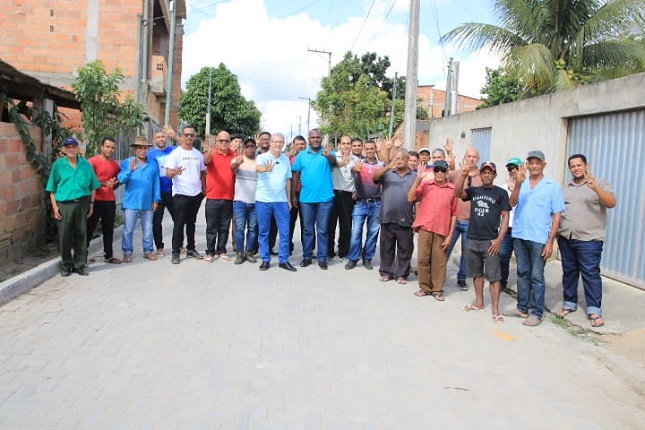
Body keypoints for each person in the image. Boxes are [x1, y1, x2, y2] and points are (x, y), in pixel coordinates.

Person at [507, 150, 565, 327]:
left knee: (537, 275)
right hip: (520, 234)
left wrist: (550, 242)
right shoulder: (521, 182)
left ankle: (536, 312)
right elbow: (512, 203)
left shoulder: (552, 186)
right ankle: (522, 308)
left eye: (537, 162)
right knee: (522, 272)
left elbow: (557, 215)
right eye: (530, 162)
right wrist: (518, 183)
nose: (533, 166)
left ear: (543, 165)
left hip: (539, 238)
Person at [557, 154, 616, 328]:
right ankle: (569, 302)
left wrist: (596, 188)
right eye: (572, 166)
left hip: (589, 239)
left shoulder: (599, 183)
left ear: (586, 165)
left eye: (579, 165)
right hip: (566, 237)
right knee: (569, 271)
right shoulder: (565, 187)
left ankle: (594, 310)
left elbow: (611, 203)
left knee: (590, 273)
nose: (576, 168)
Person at [454, 161, 510, 324]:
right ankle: (479, 302)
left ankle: (495, 309)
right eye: (484, 172)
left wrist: (499, 239)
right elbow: (458, 193)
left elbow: (505, 216)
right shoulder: (475, 191)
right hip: (472, 238)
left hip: (490, 241)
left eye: (490, 172)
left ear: (494, 175)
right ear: (480, 174)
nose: (487, 175)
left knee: (494, 276)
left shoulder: (501, 193)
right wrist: (463, 174)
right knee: (476, 273)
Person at [46, 136, 100, 276]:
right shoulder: (58, 165)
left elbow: (93, 186)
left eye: (73, 147)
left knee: (81, 234)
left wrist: (91, 204)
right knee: (64, 235)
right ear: (64, 150)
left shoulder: (85, 165)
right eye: (67, 147)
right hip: (64, 205)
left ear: (78, 148)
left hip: (82, 203)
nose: (71, 150)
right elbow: (51, 189)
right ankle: (66, 265)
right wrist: (55, 207)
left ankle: (79, 264)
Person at [407, 160, 457, 300]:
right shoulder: (426, 185)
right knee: (423, 258)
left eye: (442, 170)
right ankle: (425, 287)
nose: (440, 173)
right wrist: (418, 179)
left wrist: (450, 236)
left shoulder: (452, 190)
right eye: (437, 170)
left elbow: (454, 214)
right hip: (425, 227)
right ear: (433, 171)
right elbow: (410, 197)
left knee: (439, 261)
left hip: (442, 229)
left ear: (447, 172)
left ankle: (437, 289)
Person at [291, 128, 336, 270]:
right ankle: (307, 256)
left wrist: (328, 155)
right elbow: (296, 176)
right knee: (307, 230)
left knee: (322, 230)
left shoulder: (328, 153)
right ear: (309, 139)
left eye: (318, 137)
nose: (315, 139)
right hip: (306, 199)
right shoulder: (302, 155)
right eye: (313, 137)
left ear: (321, 138)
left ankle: (322, 258)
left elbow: (334, 162)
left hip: (325, 199)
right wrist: (293, 195)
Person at [372, 148, 417, 283]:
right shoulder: (387, 173)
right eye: (396, 158)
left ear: (408, 160)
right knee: (387, 247)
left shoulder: (414, 176)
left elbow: (418, 198)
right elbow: (374, 177)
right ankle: (386, 272)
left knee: (405, 248)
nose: (399, 160)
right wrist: (388, 167)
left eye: (402, 158)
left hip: (406, 217)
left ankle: (401, 274)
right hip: (387, 217)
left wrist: (417, 218)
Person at [165, 125, 206, 264]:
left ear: (194, 137)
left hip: (196, 194)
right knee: (179, 223)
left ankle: (191, 248)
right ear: (182, 136)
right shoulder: (175, 154)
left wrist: (203, 191)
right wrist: (174, 172)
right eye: (186, 135)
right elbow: (168, 174)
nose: (189, 137)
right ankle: (175, 252)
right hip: (181, 194)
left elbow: (202, 173)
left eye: (192, 135)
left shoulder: (198, 154)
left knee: (191, 223)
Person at [255, 133, 295, 271]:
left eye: (281, 142)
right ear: (271, 143)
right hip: (263, 200)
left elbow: (288, 180)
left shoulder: (285, 160)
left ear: (283, 144)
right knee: (264, 231)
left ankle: (283, 260)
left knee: (285, 231)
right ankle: (265, 259)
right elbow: (258, 168)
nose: (278, 144)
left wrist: (289, 200)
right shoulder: (262, 157)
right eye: (276, 141)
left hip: (281, 201)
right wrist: (266, 169)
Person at [118, 136, 160, 262]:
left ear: (148, 149)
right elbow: (121, 179)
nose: (142, 150)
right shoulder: (128, 162)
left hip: (147, 201)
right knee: (128, 229)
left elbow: (156, 182)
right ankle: (127, 252)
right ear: (135, 150)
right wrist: (130, 171)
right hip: (131, 201)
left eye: (145, 148)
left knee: (148, 227)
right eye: (140, 148)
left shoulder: (153, 163)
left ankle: (148, 251)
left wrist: (156, 200)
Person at [446, 148, 482, 291]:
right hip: (454, 219)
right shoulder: (455, 174)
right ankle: (439, 275)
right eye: (469, 156)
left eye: (474, 157)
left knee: (467, 253)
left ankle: (462, 278)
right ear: (464, 157)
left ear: (478, 159)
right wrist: (450, 164)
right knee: (446, 249)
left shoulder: (482, 177)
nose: (471, 159)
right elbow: (443, 179)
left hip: (470, 221)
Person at [345, 140, 384, 270]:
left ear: (375, 149)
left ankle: (367, 258)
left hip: (376, 203)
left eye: (372, 148)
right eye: (367, 149)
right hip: (360, 203)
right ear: (364, 150)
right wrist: (354, 171)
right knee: (356, 232)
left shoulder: (381, 164)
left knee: (373, 232)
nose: (369, 151)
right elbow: (351, 171)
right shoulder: (358, 163)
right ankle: (353, 258)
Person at [86, 137, 121, 264]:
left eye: (112, 147)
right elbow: (89, 180)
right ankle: (82, 256)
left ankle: (109, 255)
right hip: (95, 200)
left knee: (108, 229)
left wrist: (113, 184)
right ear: (101, 147)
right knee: (89, 229)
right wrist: (103, 184)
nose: (110, 149)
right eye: (107, 146)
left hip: (110, 200)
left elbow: (117, 183)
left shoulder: (115, 165)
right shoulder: (93, 162)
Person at [203, 131, 236, 262]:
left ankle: (221, 250)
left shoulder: (234, 155)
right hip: (213, 196)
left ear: (229, 142)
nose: (224, 143)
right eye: (221, 140)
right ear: (217, 142)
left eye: (226, 141)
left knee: (224, 226)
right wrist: (210, 153)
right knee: (211, 226)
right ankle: (210, 252)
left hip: (228, 197)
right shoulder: (211, 153)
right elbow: (206, 161)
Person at [328, 134, 357, 260]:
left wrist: (357, 189)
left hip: (348, 195)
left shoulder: (355, 159)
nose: (346, 146)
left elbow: (358, 177)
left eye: (348, 143)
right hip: (333, 193)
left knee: (346, 225)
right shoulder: (333, 156)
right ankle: (328, 251)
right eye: (343, 143)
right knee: (330, 224)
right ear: (339, 145)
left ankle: (344, 251)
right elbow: (332, 164)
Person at [148, 129, 176, 256]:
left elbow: (185, 145)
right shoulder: (150, 154)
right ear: (154, 139)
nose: (161, 139)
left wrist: (174, 136)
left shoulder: (173, 151)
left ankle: (179, 244)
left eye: (163, 137)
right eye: (158, 137)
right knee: (156, 221)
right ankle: (159, 247)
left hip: (173, 191)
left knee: (178, 220)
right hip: (157, 193)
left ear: (166, 138)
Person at [231, 137, 259, 264]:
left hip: (255, 202)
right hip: (240, 201)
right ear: (244, 148)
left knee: (253, 228)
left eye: (252, 146)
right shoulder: (238, 159)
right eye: (247, 146)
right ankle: (239, 253)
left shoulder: (259, 162)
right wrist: (238, 163)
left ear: (255, 148)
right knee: (240, 228)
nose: (250, 148)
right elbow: (232, 167)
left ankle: (249, 252)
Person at [499, 157, 522, 290]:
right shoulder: (503, 189)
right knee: (502, 257)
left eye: (515, 168)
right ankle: (502, 282)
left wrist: (516, 188)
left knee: (522, 260)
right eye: (510, 168)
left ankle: (523, 287)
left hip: (520, 229)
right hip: (506, 228)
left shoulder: (527, 187)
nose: (513, 171)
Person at [288, 135, 307, 254]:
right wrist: (291, 195)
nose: (300, 146)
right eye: (297, 144)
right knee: (290, 222)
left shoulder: (309, 157)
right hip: (292, 193)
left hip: (306, 194)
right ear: (293, 145)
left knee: (306, 223)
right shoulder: (289, 159)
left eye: (302, 144)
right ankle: (288, 247)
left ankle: (308, 249)